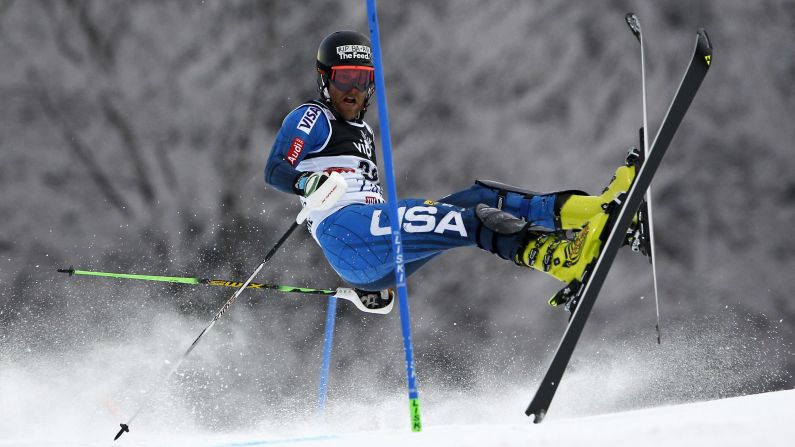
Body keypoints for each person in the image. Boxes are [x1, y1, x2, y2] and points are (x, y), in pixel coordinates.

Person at [264, 30, 639, 314]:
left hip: (373, 241)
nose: (353, 91)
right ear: (324, 79)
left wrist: (373, 282)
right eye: (344, 79)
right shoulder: (313, 117)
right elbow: (276, 169)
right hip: (346, 229)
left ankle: (602, 211)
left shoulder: (363, 132)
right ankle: (560, 261)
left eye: (362, 82)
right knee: (473, 221)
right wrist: (306, 181)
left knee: (482, 197)